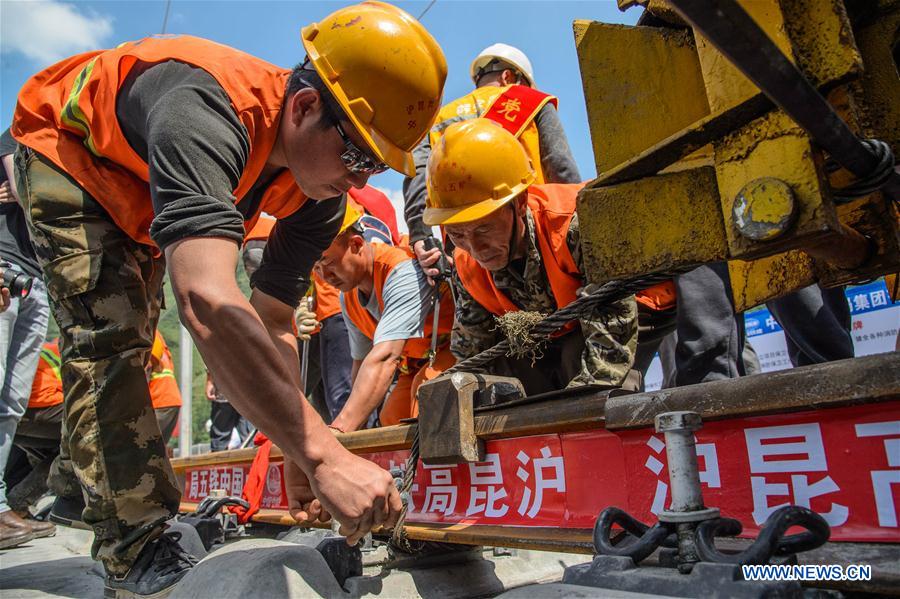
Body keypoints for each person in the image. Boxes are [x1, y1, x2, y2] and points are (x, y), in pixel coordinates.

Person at [10, 3, 446, 595]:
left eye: (375, 164)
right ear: (304, 106)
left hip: (141, 187)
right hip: (71, 158)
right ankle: (133, 547)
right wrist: (325, 459)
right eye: (358, 155)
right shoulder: (204, 110)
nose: (362, 180)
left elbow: (273, 318)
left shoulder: (320, 198)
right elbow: (207, 302)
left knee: (133, 339)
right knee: (110, 336)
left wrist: (294, 439)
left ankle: (74, 483)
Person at [423, 119, 639, 395]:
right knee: (501, 369)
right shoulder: (466, 265)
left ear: (520, 202)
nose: (475, 248)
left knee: (580, 359)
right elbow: (472, 354)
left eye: (484, 228)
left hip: (633, 310)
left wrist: (580, 413)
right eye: (457, 234)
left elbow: (612, 336)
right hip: (554, 332)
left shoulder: (575, 225)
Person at [404, 43, 581, 283]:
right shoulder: (531, 100)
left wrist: (421, 235)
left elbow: (418, 176)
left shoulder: (440, 117)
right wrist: (576, 227)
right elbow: (560, 167)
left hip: (464, 249)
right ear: (509, 76)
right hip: (536, 236)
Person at [315, 206, 454, 431]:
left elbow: (385, 357)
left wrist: (340, 430)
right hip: (414, 364)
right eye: (317, 268)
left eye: (329, 263)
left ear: (357, 244)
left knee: (427, 395)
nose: (325, 276)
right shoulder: (347, 297)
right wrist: (350, 428)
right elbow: (360, 364)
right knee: (391, 419)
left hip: (457, 351)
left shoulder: (402, 271)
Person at [0, 129, 50, 550]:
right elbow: (27, 190)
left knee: (12, 401)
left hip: (35, 280)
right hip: (3, 270)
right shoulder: (15, 139)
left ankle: (2, 507)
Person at [205, 370, 253, 451]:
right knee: (249, 437)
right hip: (242, 391)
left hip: (232, 390)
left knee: (249, 437)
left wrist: (210, 379)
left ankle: (220, 462)